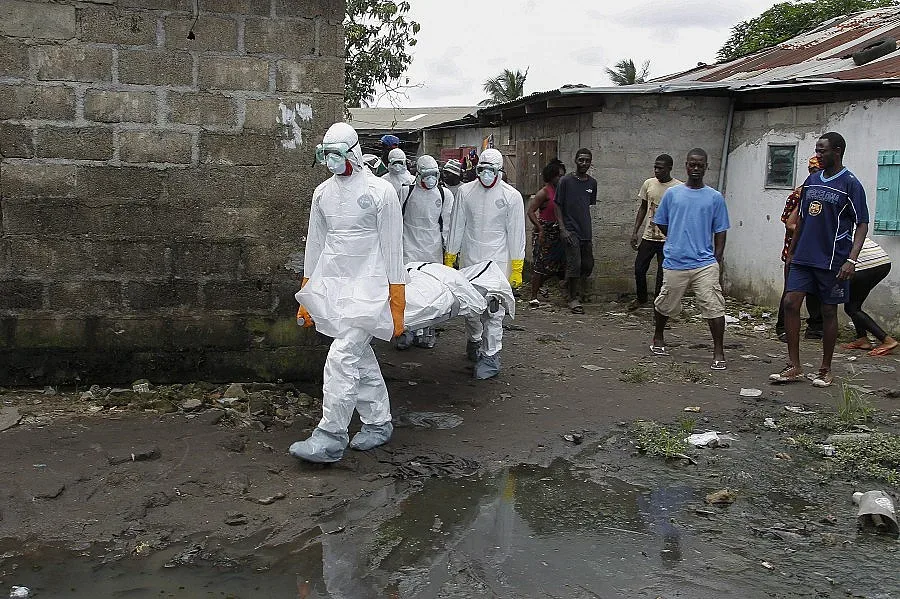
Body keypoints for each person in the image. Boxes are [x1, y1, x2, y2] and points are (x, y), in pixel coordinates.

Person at [290, 122, 406, 463]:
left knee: (342, 357)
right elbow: (315, 245)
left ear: (353, 151)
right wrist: (307, 295)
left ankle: (330, 435)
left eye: (337, 154)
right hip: (337, 287)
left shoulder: (381, 192)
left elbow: (393, 248)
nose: (332, 162)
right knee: (359, 357)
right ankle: (378, 422)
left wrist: (396, 300)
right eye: (326, 155)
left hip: (370, 289)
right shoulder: (322, 194)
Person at [770, 132, 869, 388]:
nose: (818, 155)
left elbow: (862, 224)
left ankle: (825, 369)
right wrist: (792, 252)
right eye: (816, 150)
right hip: (804, 255)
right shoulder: (812, 180)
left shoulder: (850, 184)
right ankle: (794, 365)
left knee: (827, 311)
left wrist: (851, 260)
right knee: (791, 303)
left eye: (822, 150)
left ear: (837, 151)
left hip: (832, 258)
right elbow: (801, 218)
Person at [444, 148, 526, 379]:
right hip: (470, 261)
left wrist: (517, 268)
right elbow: (456, 226)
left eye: (491, 170)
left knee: (494, 313)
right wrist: (450, 257)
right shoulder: (465, 192)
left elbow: (517, 234)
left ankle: (491, 356)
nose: (486, 174)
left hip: (498, 265)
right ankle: (475, 340)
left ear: (499, 171)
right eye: (482, 169)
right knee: (470, 310)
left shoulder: (511, 197)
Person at [650, 148, 730, 371]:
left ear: (706, 167)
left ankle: (718, 351)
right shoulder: (673, 194)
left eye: (700, 165)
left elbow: (721, 229)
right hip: (675, 260)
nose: (695, 168)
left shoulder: (714, 197)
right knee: (666, 302)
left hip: (704, 262)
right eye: (692, 164)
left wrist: (717, 257)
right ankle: (658, 336)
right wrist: (677, 238)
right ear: (686, 166)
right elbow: (662, 221)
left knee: (714, 305)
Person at [400, 155, 454, 349]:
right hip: (409, 248)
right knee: (409, 291)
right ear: (418, 174)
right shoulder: (406, 192)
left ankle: (428, 332)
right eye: (426, 175)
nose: (430, 179)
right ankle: (407, 330)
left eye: (434, 175)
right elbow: (397, 220)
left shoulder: (444, 194)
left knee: (432, 293)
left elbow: (446, 224)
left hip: (433, 250)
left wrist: (450, 253)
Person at [775, 156, 823, 341]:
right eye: (815, 172)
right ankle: (783, 327)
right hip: (795, 251)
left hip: (816, 251)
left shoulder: (824, 193)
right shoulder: (798, 195)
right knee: (791, 291)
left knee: (815, 291)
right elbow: (789, 224)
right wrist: (812, 231)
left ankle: (815, 328)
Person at [629, 154, 681, 310]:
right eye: (655, 167)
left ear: (669, 168)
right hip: (649, 236)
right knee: (639, 269)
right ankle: (642, 298)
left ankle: (658, 309)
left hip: (667, 238)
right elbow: (644, 207)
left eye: (660, 168)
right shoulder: (649, 184)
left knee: (662, 276)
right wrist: (635, 231)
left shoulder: (678, 188)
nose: (656, 170)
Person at [555, 148, 597, 314]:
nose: (584, 163)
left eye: (587, 160)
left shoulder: (592, 183)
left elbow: (587, 205)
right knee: (575, 264)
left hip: (585, 230)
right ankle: (573, 299)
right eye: (581, 160)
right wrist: (562, 229)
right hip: (570, 229)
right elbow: (557, 205)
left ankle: (565, 283)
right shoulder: (565, 181)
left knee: (587, 265)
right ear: (576, 160)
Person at [842, 237, 896, 356]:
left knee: (852, 308)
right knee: (853, 305)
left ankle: (887, 340)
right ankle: (862, 339)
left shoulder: (826, 225)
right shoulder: (844, 220)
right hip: (882, 261)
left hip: (867, 265)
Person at [526, 160, 566, 306]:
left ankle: (545, 287)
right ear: (551, 177)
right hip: (544, 231)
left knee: (557, 265)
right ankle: (533, 296)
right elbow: (530, 212)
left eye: (562, 176)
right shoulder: (544, 192)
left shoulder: (562, 191)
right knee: (540, 265)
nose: (560, 179)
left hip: (558, 231)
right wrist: (540, 228)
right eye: (557, 176)